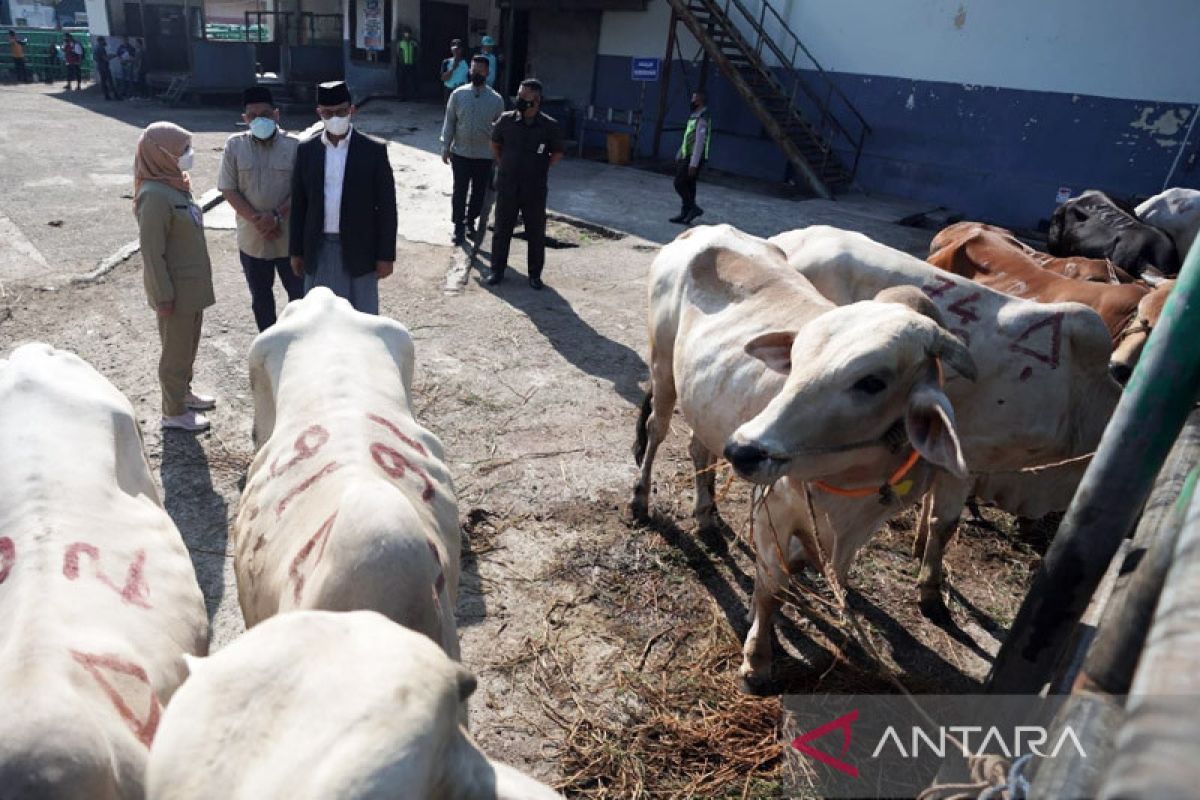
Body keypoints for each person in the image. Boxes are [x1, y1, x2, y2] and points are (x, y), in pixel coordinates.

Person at [134, 122, 217, 432]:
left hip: (191, 287)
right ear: (162, 153)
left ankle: (184, 394)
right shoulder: (153, 195)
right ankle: (173, 411)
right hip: (175, 292)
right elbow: (152, 253)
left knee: (188, 346)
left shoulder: (175, 184)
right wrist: (162, 295)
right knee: (175, 352)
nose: (188, 155)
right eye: (183, 150)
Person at [289, 81, 397, 315]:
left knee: (362, 318)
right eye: (328, 113)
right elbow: (299, 204)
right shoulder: (307, 151)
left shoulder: (373, 151)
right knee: (320, 318)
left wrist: (386, 255)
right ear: (319, 113)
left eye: (341, 111)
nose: (335, 118)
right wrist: (296, 251)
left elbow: (387, 207)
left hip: (362, 248)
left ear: (352, 110)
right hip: (319, 248)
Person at [218, 86, 303, 332]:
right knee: (261, 299)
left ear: (276, 115)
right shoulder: (234, 146)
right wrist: (259, 221)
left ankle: (298, 345)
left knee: (299, 299)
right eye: (253, 116)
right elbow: (228, 188)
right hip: (252, 240)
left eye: (265, 114)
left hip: (289, 240)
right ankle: (268, 347)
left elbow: (303, 190)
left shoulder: (295, 145)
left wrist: (276, 216)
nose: (259, 120)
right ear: (245, 119)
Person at [488, 78, 564, 290]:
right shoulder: (505, 120)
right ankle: (496, 270)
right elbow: (495, 144)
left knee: (535, 232)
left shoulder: (549, 126)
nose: (519, 100)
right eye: (518, 96)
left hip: (534, 188)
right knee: (502, 230)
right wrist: (504, 164)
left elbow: (557, 153)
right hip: (507, 184)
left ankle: (534, 275)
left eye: (524, 98)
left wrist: (539, 168)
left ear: (537, 100)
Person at [441, 55, 504, 245]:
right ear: (470, 70)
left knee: (478, 192)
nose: (476, 72)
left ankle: (470, 222)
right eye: (474, 69)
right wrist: (445, 146)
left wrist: (499, 155)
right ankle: (458, 227)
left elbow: (501, 130)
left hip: (484, 156)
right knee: (459, 191)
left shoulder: (496, 99)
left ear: (487, 73)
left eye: (481, 70)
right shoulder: (458, 95)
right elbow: (450, 121)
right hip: (460, 152)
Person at [670, 89, 711, 225]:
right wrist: (680, 152)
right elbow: (688, 137)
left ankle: (693, 208)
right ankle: (685, 213)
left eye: (694, 99)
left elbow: (699, 141)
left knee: (679, 183)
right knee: (689, 185)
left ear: (699, 101)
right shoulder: (695, 115)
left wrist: (693, 163)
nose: (691, 101)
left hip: (694, 157)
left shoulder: (703, 116)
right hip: (687, 154)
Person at [395, 26, 417, 100]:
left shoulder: (413, 42)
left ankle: (414, 96)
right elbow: (398, 54)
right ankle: (401, 96)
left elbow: (417, 52)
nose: (407, 35)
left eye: (408, 33)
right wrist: (400, 62)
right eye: (405, 33)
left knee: (412, 81)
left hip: (411, 64)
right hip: (402, 65)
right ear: (403, 34)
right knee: (401, 81)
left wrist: (415, 60)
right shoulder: (400, 43)